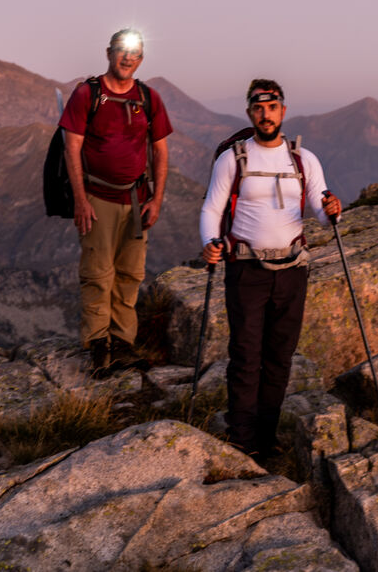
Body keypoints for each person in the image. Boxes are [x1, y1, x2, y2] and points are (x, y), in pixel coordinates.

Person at [198, 79, 341, 458]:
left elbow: (320, 208)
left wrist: (332, 211)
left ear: (283, 111)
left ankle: (266, 436)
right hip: (247, 269)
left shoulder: (304, 160)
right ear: (249, 112)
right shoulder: (233, 159)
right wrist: (210, 241)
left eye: (272, 107)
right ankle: (242, 440)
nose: (266, 114)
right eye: (259, 108)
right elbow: (212, 207)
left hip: (292, 269)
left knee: (279, 356)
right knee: (246, 355)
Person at [59, 28, 172, 375]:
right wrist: (80, 200)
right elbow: (71, 147)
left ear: (141, 59)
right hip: (98, 198)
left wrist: (156, 199)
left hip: (137, 200)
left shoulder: (148, 98)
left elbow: (160, 151)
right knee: (97, 273)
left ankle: (122, 344)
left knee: (130, 274)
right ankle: (98, 346)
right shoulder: (88, 94)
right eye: (122, 50)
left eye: (134, 53)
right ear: (109, 53)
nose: (127, 58)